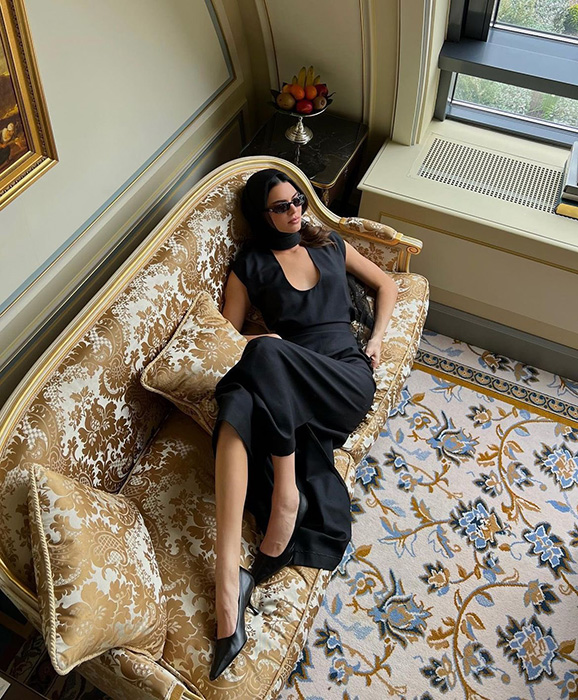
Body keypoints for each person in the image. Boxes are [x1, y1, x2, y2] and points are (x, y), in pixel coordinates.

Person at [209, 168, 398, 681]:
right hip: (291, 381)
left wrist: (376, 339)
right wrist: (259, 339)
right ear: (262, 215)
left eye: (298, 201)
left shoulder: (330, 244)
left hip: (345, 379)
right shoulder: (249, 267)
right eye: (281, 206)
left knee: (264, 357)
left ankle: (287, 497)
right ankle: (229, 583)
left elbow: (386, 284)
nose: (295, 211)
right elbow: (228, 335)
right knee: (238, 400)